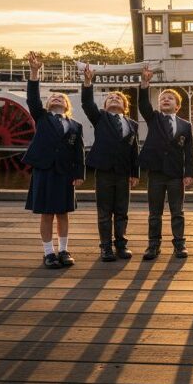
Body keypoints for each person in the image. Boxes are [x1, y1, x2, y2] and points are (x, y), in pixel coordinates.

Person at [23, 52, 85, 269]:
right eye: (53, 97)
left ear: (67, 105)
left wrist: (79, 174)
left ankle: (64, 250)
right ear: (48, 104)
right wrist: (34, 72)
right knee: (47, 213)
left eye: (61, 97)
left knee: (63, 212)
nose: (57, 98)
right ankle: (48, 253)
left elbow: (79, 152)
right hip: (44, 169)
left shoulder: (76, 126)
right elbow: (32, 98)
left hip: (65, 173)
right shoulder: (41, 117)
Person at [81, 64, 140, 262]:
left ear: (125, 106)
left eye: (118, 98)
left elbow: (134, 149)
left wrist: (135, 173)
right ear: (105, 106)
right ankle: (105, 247)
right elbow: (87, 104)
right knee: (105, 211)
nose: (114, 99)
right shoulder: (100, 118)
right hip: (105, 171)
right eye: (110, 98)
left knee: (122, 211)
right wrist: (88, 82)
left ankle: (121, 245)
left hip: (123, 173)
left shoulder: (132, 124)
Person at [138, 65, 193, 260]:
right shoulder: (154, 118)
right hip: (156, 173)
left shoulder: (186, 126)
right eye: (162, 98)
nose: (165, 100)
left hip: (176, 174)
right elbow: (143, 105)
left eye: (170, 98)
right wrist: (145, 83)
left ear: (177, 106)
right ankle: (153, 245)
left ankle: (179, 244)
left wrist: (189, 173)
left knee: (177, 211)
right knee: (155, 212)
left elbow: (188, 151)